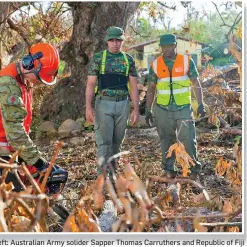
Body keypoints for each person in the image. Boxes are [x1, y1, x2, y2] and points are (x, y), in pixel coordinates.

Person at [0, 43, 66, 192]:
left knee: (38, 180)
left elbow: (21, 128)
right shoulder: (7, 85)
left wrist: (33, 162)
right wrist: (40, 164)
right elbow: (14, 132)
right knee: (16, 197)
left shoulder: (25, 79)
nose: (39, 81)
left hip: (12, 148)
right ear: (30, 63)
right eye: (39, 77)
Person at [145, 34, 206, 180]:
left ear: (175, 45)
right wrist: (148, 109)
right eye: (164, 46)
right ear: (161, 47)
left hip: (183, 107)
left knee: (188, 138)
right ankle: (168, 169)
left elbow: (195, 83)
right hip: (163, 108)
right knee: (166, 139)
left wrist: (201, 104)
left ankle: (193, 169)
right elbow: (151, 88)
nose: (166, 49)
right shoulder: (156, 64)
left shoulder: (186, 61)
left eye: (169, 46)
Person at [85, 26, 139, 173]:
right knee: (104, 144)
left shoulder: (128, 60)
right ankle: (102, 182)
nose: (115, 43)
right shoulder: (98, 58)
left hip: (123, 105)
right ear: (107, 41)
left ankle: (113, 178)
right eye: (112, 40)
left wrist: (136, 109)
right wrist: (88, 107)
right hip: (103, 104)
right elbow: (91, 84)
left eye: (118, 40)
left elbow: (133, 86)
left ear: (122, 41)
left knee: (116, 144)